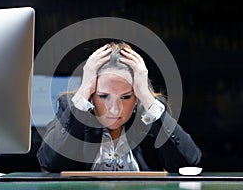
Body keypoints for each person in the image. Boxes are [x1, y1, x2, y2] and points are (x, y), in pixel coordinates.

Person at [37, 42, 202, 172]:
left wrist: (146, 96)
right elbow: (50, 162)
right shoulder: (74, 110)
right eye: (103, 96)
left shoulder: (150, 114)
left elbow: (187, 164)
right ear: (92, 94)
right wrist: (83, 93)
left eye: (125, 97)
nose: (114, 109)